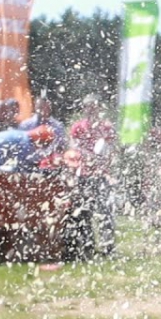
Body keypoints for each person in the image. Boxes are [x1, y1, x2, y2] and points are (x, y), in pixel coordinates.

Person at [64, 93, 117, 259]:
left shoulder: (106, 127)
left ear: (99, 108)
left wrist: (104, 161)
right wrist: (87, 156)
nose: (91, 110)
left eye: (94, 107)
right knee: (84, 211)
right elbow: (74, 147)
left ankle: (108, 247)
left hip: (101, 174)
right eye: (88, 107)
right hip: (84, 174)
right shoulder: (78, 127)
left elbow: (111, 148)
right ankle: (88, 245)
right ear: (84, 109)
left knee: (104, 210)